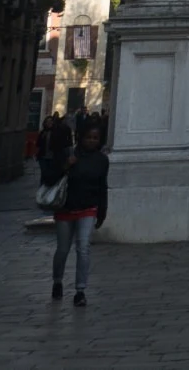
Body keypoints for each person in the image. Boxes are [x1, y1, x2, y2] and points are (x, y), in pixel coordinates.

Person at [49, 119, 108, 305]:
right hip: (66, 207)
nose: (92, 141)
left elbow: (102, 186)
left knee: (83, 248)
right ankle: (57, 281)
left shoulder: (101, 160)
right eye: (89, 137)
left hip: (88, 208)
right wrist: (66, 165)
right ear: (81, 137)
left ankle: (80, 290)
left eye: (95, 138)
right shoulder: (68, 154)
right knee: (63, 249)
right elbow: (50, 177)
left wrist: (102, 211)